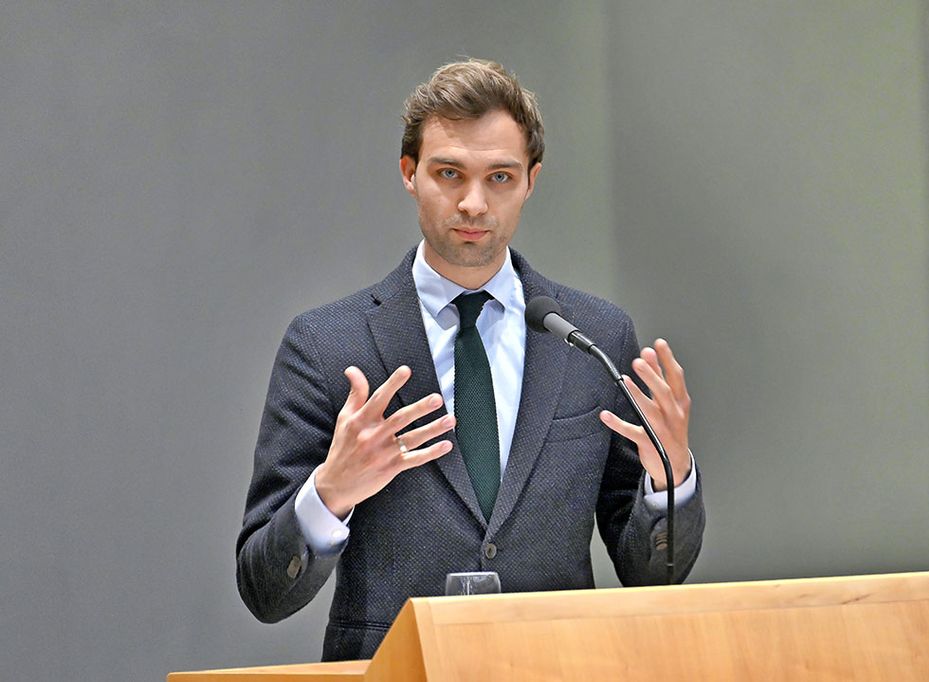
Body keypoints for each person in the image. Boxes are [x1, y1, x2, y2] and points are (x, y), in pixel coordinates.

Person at [236, 59, 705, 662]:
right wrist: (330, 492)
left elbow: (653, 577)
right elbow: (263, 590)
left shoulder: (594, 338)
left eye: (500, 177)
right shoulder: (327, 345)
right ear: (410, 173)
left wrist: (672, 479)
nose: (474, 203)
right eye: (449, 173)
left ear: (531, 180)